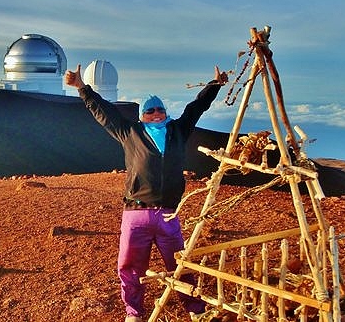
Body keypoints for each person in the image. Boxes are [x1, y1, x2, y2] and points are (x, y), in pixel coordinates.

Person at [64, 64, 228, 322]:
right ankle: (134, 312)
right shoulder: (130, 132)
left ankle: (194, 308)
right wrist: (82, 88)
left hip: (168, 214)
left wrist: (214, 85)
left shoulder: (177, 131)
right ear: (141, 115)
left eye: (160, 109)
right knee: (129, 267)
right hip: (136, 212)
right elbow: (104, 112)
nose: (156, 113)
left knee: (179, 265)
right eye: (149, 110)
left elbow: (195, 109)